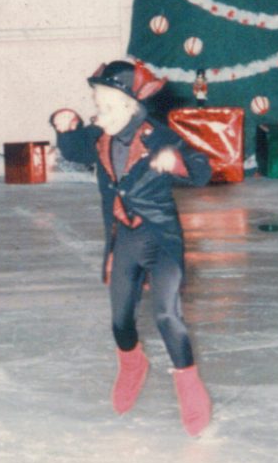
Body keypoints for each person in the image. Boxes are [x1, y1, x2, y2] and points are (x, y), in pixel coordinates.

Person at [51, 59, 214, 436]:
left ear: (129, 106)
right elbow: (74, 149)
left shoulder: (158, 137)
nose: (98, 111)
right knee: (121, 320)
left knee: (166, 315)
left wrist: (176, 163)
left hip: (160, 239)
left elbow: (202, 168)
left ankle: (188, 384)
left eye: (105, 105)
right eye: (96, 103)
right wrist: (65, 123)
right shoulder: (98, 137)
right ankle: (131, 362)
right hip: (123, 240)